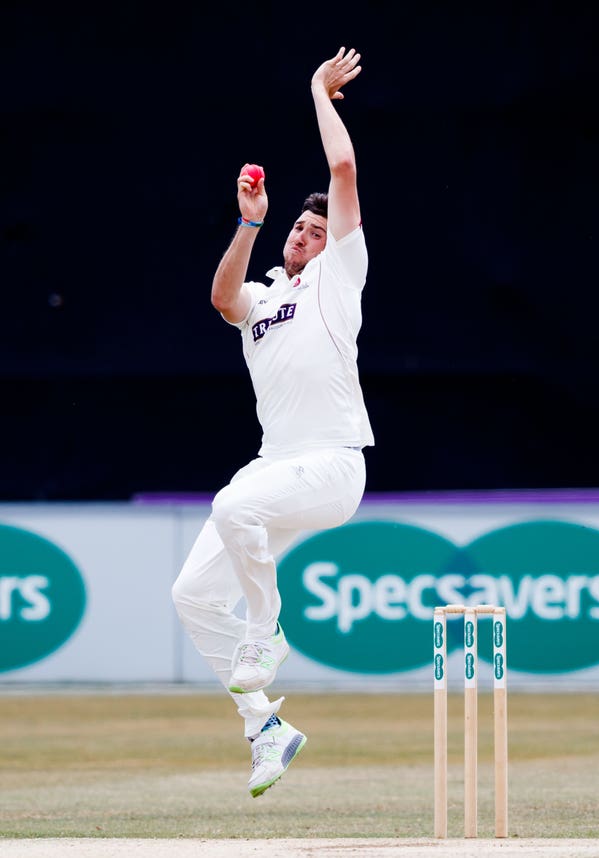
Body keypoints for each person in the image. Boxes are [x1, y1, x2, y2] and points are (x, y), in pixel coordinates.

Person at [172, 46, 374, 798]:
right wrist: (248, 222)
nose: (303, 233)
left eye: (315, 230)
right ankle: (265, 726)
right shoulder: (264, 292)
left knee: (233, 504)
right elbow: (224, 300)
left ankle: (267, 629)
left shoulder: (338, 276)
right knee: (191, 595)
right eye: (298, 225)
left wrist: (317, 92)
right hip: (279, 471)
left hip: (332, 465)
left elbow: (343, 174)